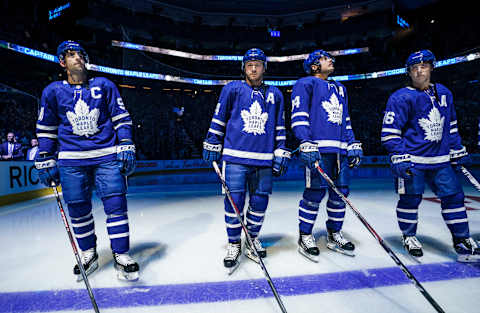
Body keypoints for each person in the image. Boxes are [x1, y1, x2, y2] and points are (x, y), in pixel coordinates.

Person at [34, 40, 140, 280]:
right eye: (71, 55)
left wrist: (125, 143)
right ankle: (88, 252)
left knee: (116, 207)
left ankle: (121, 253)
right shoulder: (52, 91)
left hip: (106, 155)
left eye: (81, 54)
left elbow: (121, 117)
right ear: (62, 62)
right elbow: (46, 128)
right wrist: (45, 155)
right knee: (78, 209)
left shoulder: (104, 85)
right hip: (71, 160)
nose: (78, 58)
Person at [381, 49, 479, 262]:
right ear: (408, 72)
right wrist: (398, 154)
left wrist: (456, 147)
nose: (419, 71)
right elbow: (390, 131)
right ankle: (409, 236)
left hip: (441, 160)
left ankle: (461, 238)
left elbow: (451, 126)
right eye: (414, 68)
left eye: (423, 66)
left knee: (454, 197)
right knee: (410, 199)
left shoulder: (444, 93)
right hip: (413, 161)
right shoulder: (400, 97)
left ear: (432, 68)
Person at [202, 48, 290, 273]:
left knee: (260, 202)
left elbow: (280, 126)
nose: (253, 68)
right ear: (243, 67)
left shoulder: (276, 94)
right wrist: (212, 140)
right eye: (249, 64)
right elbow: (219, 117)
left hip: (264, 160)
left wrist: (280, 150)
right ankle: (234, 244)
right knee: (234, 203)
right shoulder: (232, 89)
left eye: (258, 64)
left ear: (264, 68)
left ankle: (252, 239)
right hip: (235, 158)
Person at [290, 50, 363, 262]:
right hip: (318, 150)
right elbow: (299, 116)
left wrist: (352, 142)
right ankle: (305, 235)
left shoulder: (341, 88)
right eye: (324, 58)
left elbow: (346, 120)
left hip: (339, 150)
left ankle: (334, 234)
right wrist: (305, 141)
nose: (331, 60)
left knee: (341, 193)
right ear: (314, 66)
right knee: (314, 193)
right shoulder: (305, 84)